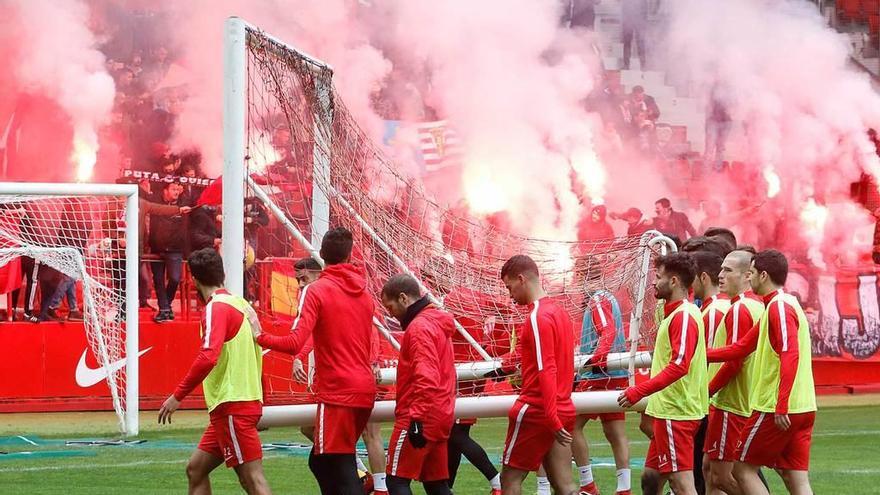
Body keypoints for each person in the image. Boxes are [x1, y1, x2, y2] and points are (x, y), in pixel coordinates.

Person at [253, 227, 376, 495]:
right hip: (363, 389)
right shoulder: (365, 295)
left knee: (339, 465)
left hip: (337, 393)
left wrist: (259, 336)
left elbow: (295, 341)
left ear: (320, 255)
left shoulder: (317, 291)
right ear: (350, 254)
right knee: (320, 462)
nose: (299, 284)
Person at [158, 248, 270, 495]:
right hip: (237, 404)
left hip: (233, 405)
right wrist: (262, 401)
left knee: (252, 478)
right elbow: (257, 354)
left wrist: (177, 396)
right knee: (196, 469)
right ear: (222, 273)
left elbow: (208, 356)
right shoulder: (241, 304)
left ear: (194, 279)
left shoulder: (216, 309)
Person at [706, 250, 817, 495]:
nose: (750, 278)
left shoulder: (778, 307)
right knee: (795, 477)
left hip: (776, 407)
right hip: (804, 405)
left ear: (763, 275)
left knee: (742, 469)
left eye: (753, 273)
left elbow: (790, 354)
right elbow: (741, 348)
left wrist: (781, 404)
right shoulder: (781, 305)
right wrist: (698, 355)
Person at [290, 256, 389, 495]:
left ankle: (380, 487)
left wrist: (373, 360)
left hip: (359, 372)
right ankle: (361, 473)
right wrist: (298, 356)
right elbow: (315, 333)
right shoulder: (322, 294)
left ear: (318, 273)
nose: (301, 284)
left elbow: (368, 329)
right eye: (298, 280)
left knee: (370, 432)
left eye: (304, 278)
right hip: (342, 377)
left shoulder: (343, 291)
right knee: (308, 429)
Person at [618, 252, 707, 495]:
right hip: (670, 411)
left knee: (682, 485)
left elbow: (679, 365)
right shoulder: (677, 313)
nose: (653, 283)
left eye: (658, 277)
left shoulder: (684, 316)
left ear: (675, 281)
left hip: (676, 413)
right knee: (650, 479)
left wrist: (639, 391)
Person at [498, 255, 578, 495]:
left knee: (510, 479)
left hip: (538, 409)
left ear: (521, 279)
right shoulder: (560, 313)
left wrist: (550, 416)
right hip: (562, 407)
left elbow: (546, 367)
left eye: (509, 287)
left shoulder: (537, 316)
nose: (510, 296)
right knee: (565, 485)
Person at [380, 274, 456, 495]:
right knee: (435, 484)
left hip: (419, 416)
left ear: (403, 298)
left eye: (390, 306)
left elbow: (426, 376)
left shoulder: (419, 328)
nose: (390, 313)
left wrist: (416, 418)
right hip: (441, 414)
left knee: (396, 481)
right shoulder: (435, 322)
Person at [703, 250, 766, 495]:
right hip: (741, 400)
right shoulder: (755, 305)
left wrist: (706, 391)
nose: (721, 275)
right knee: (711, 471)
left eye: (728, 270)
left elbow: (734, 361)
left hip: (733, 403)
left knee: (722, 476)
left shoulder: (740, 309)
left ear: (747, 275)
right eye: (721, 269)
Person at [572, 283, 632, 495]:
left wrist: (596, 359)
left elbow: (607, 329)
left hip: (599, 375)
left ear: (584, 276)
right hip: (616, 373)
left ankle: (587, 485)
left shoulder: (597, 298)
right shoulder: (609, 298)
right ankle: (624, 489)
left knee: (569, 425)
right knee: (615, 432)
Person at [689, 251, 730, 495]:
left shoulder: (713, 312)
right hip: (713, 400)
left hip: (714, 401)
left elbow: (712, 359)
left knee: (718, 473)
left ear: (703, 278)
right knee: (714, 471)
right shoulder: (715, 309)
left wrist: (704, 391)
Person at [149, 182, 186, 322]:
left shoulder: (184, 203)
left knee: (175, 278)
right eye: (173, 189)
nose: (176, 192)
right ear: (165, 191)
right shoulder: (155, 202)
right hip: (156, 247)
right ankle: (164, 309)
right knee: (158, 280)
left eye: (178, 189)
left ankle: (166, 306)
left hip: (175, 248)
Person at [621, 0, 648, 69]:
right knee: (628, 42)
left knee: (640, 41)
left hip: (638, 17)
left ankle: (643, 64)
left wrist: (644, 19)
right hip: (628, 16)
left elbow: (644, 6)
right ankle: (626, 64)